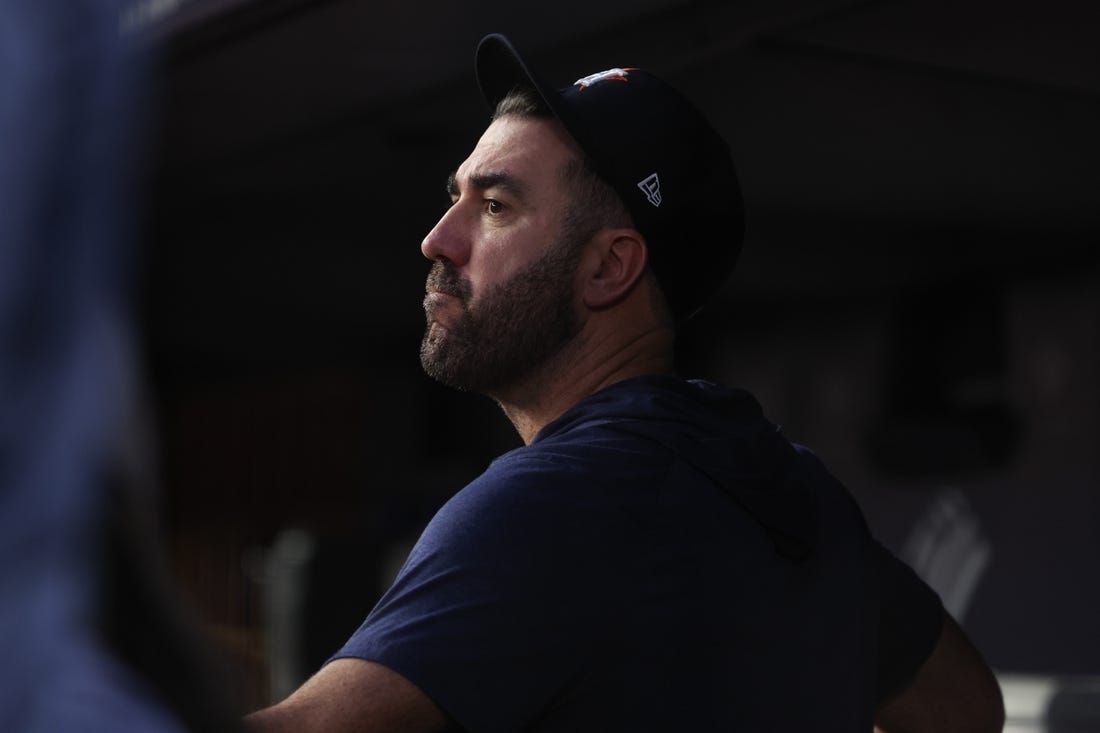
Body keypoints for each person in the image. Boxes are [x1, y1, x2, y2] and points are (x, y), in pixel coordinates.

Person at [246, 33, 1004, 732]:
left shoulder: (554, 503)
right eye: (456, 197)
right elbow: (966, 708)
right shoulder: (792, 490)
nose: (438, 238)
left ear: (610, 267)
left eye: (496, 205)